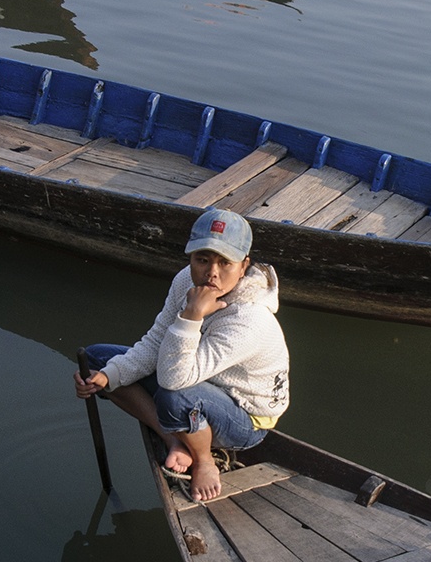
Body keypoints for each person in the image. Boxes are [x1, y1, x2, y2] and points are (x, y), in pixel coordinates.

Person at [75, 209, 290, 504]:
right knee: (98, 359)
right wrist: (108, 376)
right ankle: (172, 438)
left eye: (225, 263)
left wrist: (191, 315)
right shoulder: (185, 281)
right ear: (191, 258)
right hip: (196, 376)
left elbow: (173, 380)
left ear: (243, 266)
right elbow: (156, 342)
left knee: (174, 397)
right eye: (202, 259)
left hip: (244, 415)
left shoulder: (249, 320)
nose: (212, 272)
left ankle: (204, 460)